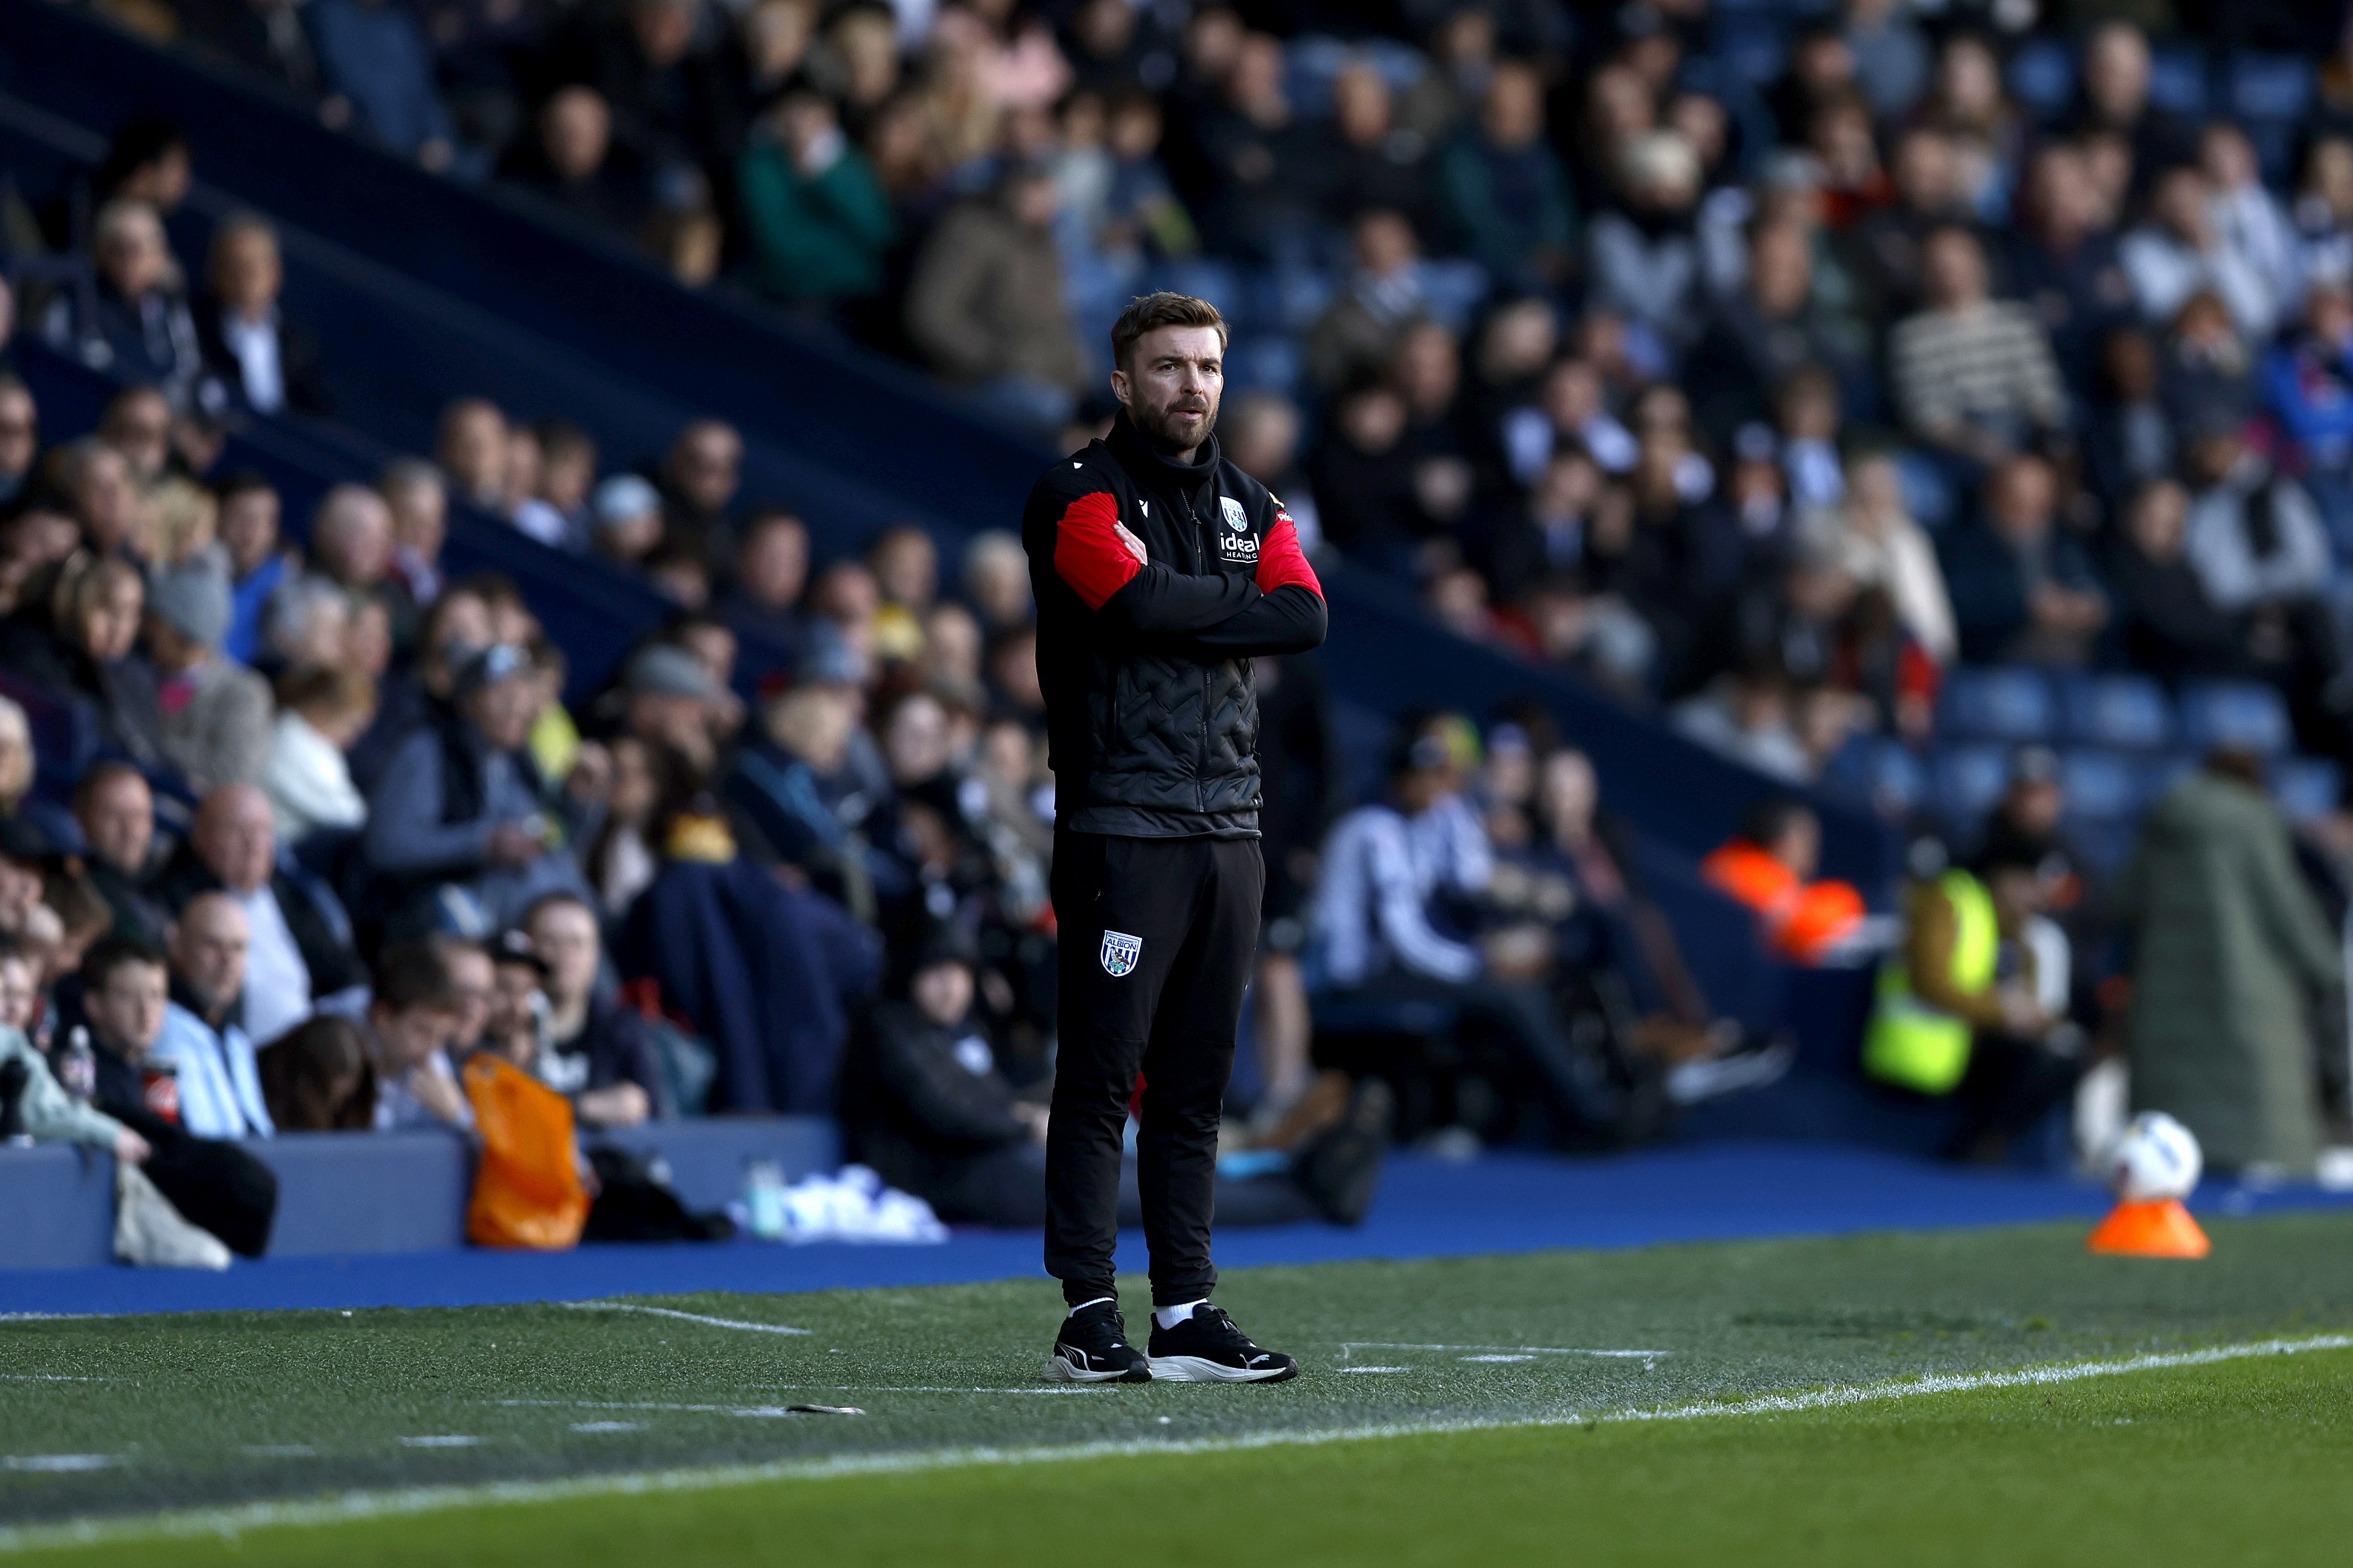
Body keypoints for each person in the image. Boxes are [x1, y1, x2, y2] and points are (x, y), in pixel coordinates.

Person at [1018, 291, 1327, 1384]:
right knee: (1102, 1076)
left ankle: (1185, 1309)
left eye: (1204, 367)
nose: (1189, 385)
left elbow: (1305, 616)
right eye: (1165, 367)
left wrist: (1180, 599)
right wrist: (1223, 600)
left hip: (1228, 827)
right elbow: (1129, 604)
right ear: (1122, 382)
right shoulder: (1073, 493)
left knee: (1196, 1085)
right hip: (1119, 823)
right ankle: (1086, 1313)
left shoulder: (1250, 498)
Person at [2114, 751, 2343, 1175]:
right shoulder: (2256, 821)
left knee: (2175, 1135)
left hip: (2166, 997)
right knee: (2260, 1150)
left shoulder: (2165, 818)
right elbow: (2285, 907)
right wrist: (2327, 968)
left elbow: (2125, 899)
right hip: (2248, 997)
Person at [1862, 838, 2082, 1163]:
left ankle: (1985, 1149)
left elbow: (2025, 995)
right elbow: (1929, 984)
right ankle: (1967, 1156)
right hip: (1909, 1059)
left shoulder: (2012, 928)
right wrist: (2003, 1011)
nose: (2036, 897)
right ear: (2001, 877)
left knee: (2061, 1055)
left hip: (1959, 1053)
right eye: (2028, 884)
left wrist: (2038, 1019)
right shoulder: (1947, 899)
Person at [364, 643, 592, 931]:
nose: (517, 708)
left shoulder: (516, 765)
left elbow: (551, 842)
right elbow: (387, 847)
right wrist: (483, 843)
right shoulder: (428, 750)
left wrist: (577, 803)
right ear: (467, 700)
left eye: (525, 696)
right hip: (417, 913)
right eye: (503, 693)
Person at [76, 935, 277, 1256]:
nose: (146, 1011)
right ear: (95, 1005)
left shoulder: (158, 1074)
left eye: (157, 996)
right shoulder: (82, 1072)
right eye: (128, 997)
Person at [153, 783, 368, 1048]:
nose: (252, 844)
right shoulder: (180, 897)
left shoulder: (288, 892)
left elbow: (343, 974)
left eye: (261, 830)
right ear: (201, 837)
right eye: (236, 830)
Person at [520, 893, 661, 1127]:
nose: (564, 954)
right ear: (526, 949)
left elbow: (651, 1113)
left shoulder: (622, 1029)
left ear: (596, 955)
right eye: (550, 941)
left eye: (576, 942)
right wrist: (589, 1106)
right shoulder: (503, 1023)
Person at [151, 893, 274, 1141]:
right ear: (177, 945)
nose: (227, 961)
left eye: (238, 947)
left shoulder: (235, 1040)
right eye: (212, 945)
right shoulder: (155, 1027)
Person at [146, 558, 272, 795]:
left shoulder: (244, 694)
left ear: (185, 640)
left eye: (157, 623)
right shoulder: (142, 666)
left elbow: (233, 775)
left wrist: (148, 741)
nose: (147, 629)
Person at [192, 213, 331, 417]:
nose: (242, 280)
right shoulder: (193, 326)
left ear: (274, 273)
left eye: (251, 269)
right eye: (232, 268)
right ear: (214, 272)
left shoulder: (297, 344)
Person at [1700, 798, 1868, 965]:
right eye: (1806, 840)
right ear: (1780, 842)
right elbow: (1807, 925)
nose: (1813, 853)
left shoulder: (1724, 860)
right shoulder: (1757, 877)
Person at [360, 941, 470, 1132]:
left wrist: (456, 1116)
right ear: (382, 1019)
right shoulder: (337, 1045)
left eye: (441, 1036)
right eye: (422, 1031)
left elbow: (475, 1135)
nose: (434, 1048)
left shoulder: (428, 1056)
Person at [262, 666, 376, 846]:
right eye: (351, 725)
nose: (354, 737)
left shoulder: (319, 745)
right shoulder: (287, 739)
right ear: (322, 709)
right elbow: (344, 815)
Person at [72, 762, 172, 947]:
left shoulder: (166, 882)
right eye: (112, 816)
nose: (130, 830)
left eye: (139, 816)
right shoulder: (72, 888)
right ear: (81, 818)